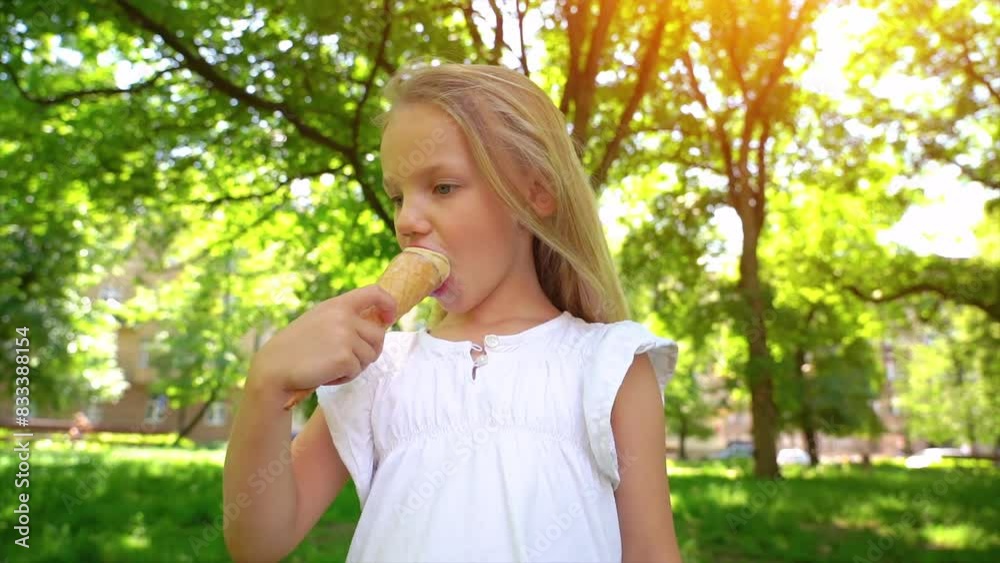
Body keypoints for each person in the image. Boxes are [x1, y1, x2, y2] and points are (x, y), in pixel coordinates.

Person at [224, 62, 683, 563]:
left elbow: (651, 552)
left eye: (442, 187)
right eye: (397, 197)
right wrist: (266, 386)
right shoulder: (377, 369)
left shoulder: (610, 365)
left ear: (536, 193)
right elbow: (259, 543)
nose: (407, 221)